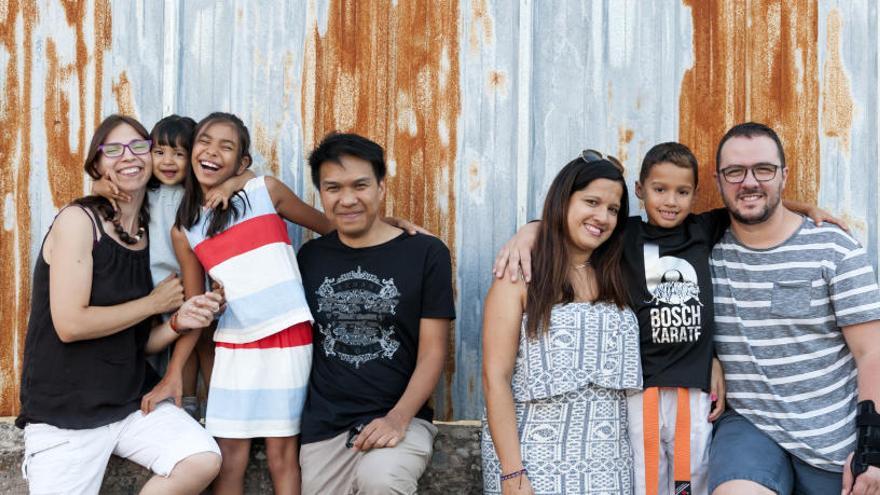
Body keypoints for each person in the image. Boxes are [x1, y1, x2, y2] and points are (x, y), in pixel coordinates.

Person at [494, 143, 841, 495]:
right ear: (641, 191)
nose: (671, 201)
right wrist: (530, 229)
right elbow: (571, 222)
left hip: (694, 386)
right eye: (660, 190)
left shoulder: (702, 228)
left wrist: (806, 207)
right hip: (643, 384)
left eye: (682, 192)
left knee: (693, 479)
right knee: (648, 481)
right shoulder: (622, 234)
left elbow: (752, 206)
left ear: (695, 195)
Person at [17, 114, 223, 494]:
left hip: (129, 404)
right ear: (97, 165)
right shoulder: (78, 221)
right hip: (67, 414)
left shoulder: (145, 234)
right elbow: (70, 324)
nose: (128, 156)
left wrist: (178, 321)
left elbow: (138, 342)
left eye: (138, 146)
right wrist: (152, 303)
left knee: (200, 457)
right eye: (113, 149)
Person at [706, 123, 880, 495]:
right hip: (752, 427)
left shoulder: (834, 248)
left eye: (763, 170)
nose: (749, 182)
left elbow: (872, 352)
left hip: (834, 438)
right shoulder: (702, 249)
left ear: (784, 175)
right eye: (734, 172)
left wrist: (873, 447)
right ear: (718, 180)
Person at [165, 112, 332, 495]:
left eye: (227, 146)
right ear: (192, 152)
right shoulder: (184, 229)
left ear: (242, 163)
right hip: (235, 344)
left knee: (281, 457)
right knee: (229, 459)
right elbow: (195, 308)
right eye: (205, 141)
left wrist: (391, 225)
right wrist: (174, 370)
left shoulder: (263, 192)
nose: (212, 151)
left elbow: (331, 227)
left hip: (288, 337)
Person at [297, 133, 455, 495]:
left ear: (382, 187)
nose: (347, 199)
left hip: (401, 417)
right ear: (321, 193)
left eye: (361, 185)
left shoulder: (426, 253)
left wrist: (397, 420)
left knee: (382, 481)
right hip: (326, 427)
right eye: (333, 187)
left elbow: (433, 352)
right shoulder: (310, 258)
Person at [482, 152, 642, 494]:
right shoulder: (520, 273)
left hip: (611, 461)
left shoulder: (619, 270)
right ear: (563, 200)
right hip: (534, 458)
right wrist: (512, 472)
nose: (603, 217)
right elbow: (496, 378)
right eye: (591, 202)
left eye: (613, 209)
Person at [93, 115, 243, 419]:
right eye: (159, 152)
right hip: (160, 286)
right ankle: (185, 403)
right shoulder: (145, 192)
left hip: (197, 281)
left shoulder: (200, 194)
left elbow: (246, 177)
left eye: (179, 153)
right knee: (175, 339)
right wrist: (99, 186)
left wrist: (231, 186)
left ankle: (218, 407)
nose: (168, 161)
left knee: (205, 342)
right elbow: (103, 188)